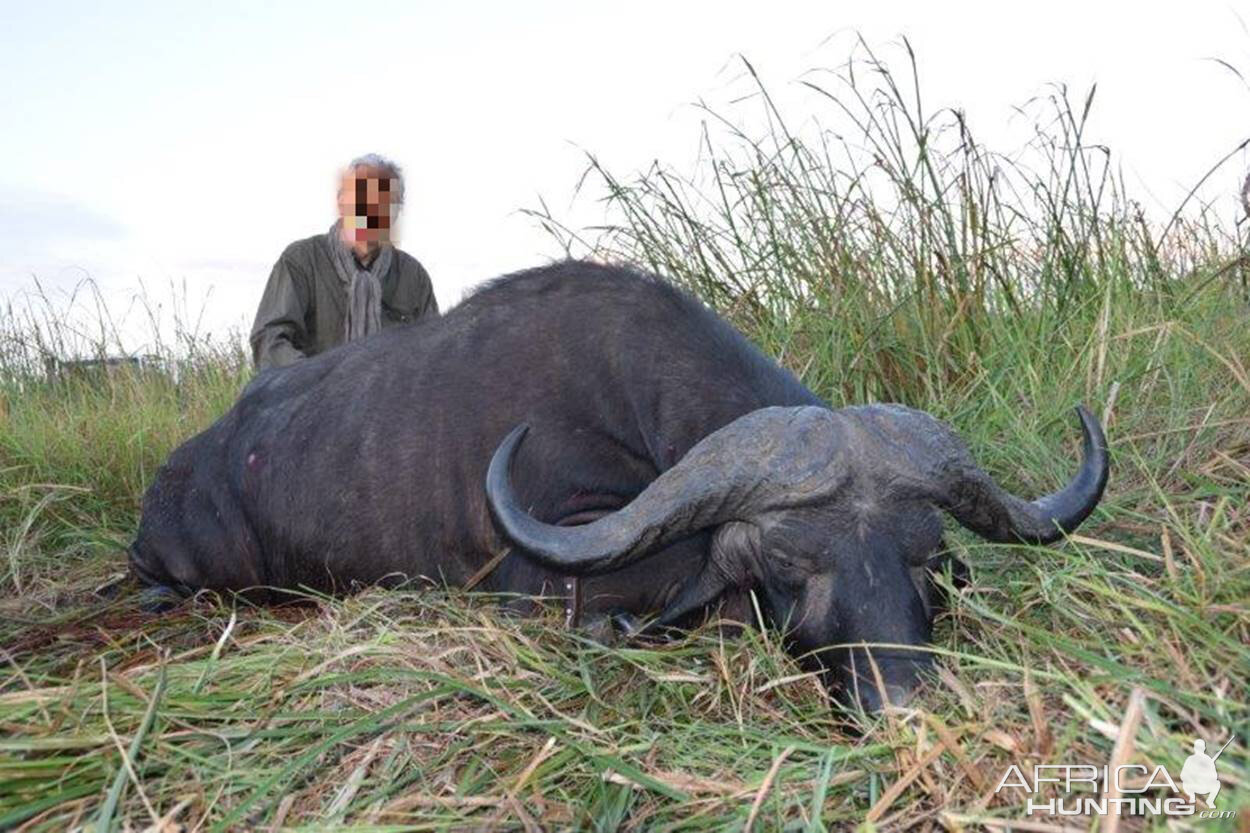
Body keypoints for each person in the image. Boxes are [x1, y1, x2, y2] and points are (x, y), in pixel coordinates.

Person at [250, 154, 439, 371]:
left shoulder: (413, 277)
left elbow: (432, 353)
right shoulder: (300, 261)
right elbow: (269, 339)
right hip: (314, 397)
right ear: (342, 202)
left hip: (388, 400)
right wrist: (320, 383)